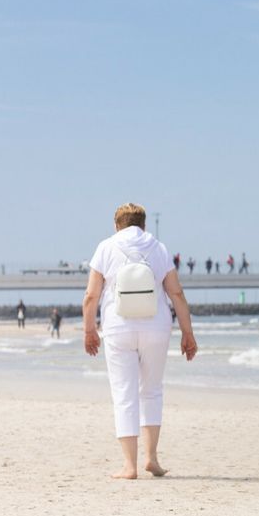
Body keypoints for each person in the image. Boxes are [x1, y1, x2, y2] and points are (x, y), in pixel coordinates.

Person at [82, 203, 198, 479]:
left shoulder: (106, 247)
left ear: (116, 225)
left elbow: (91, 296)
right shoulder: (158, 248)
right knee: (152, 391)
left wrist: (89, 330)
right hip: (156, 328)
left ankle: (129, 466)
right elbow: (176, 293)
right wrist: (187, 332)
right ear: (143, 225)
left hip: (118, 327)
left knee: (124, 393)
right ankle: (152, 459)